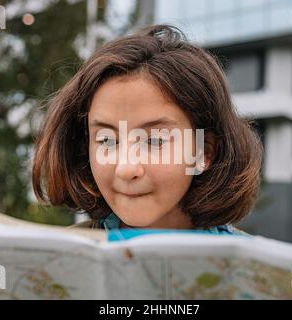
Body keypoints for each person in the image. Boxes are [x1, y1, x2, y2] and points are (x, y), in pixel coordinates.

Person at [32, 24, 262, 235]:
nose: (126, 168)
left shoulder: (257, 273)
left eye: (154, 141)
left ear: (205, 151)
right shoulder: (57, 260)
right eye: (107, 141)